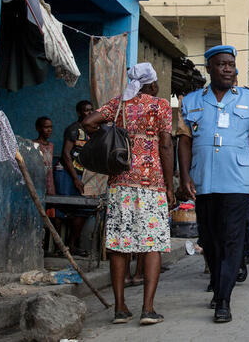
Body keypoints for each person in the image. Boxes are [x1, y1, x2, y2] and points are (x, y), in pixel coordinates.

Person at [178, 45, 249, 322]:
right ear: (209, 68)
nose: (228, 68)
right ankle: (219, 287)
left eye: (231, 64)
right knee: (210, 240)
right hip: (204, 181)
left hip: (237, 181)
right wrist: (184, 177)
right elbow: (184, 141)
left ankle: (223, 300)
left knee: (232, 240)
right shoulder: (192, 101)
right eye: (221, 64)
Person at [82, 62, 175, 325]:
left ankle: (120, 308)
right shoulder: (160, 106)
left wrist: (111, 133)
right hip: (151, 183)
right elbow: (166, 145)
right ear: (152, 84)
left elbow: (88, 122)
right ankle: (147, 309)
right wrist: (169, 186)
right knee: (152, 244)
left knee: (119, 244)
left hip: (120, 183)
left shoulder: (118, 104)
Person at [57, 100, 94, 257]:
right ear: (79, 113)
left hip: (83, 174)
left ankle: (71, 245)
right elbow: (66, 155)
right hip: (67, 173)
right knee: (61, 208)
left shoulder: (93, 132)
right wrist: (75, 179)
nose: (90, 113)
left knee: (84, 209)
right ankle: (59, 247)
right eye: (86, 110)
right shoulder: (74, 129)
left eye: (91, 110)